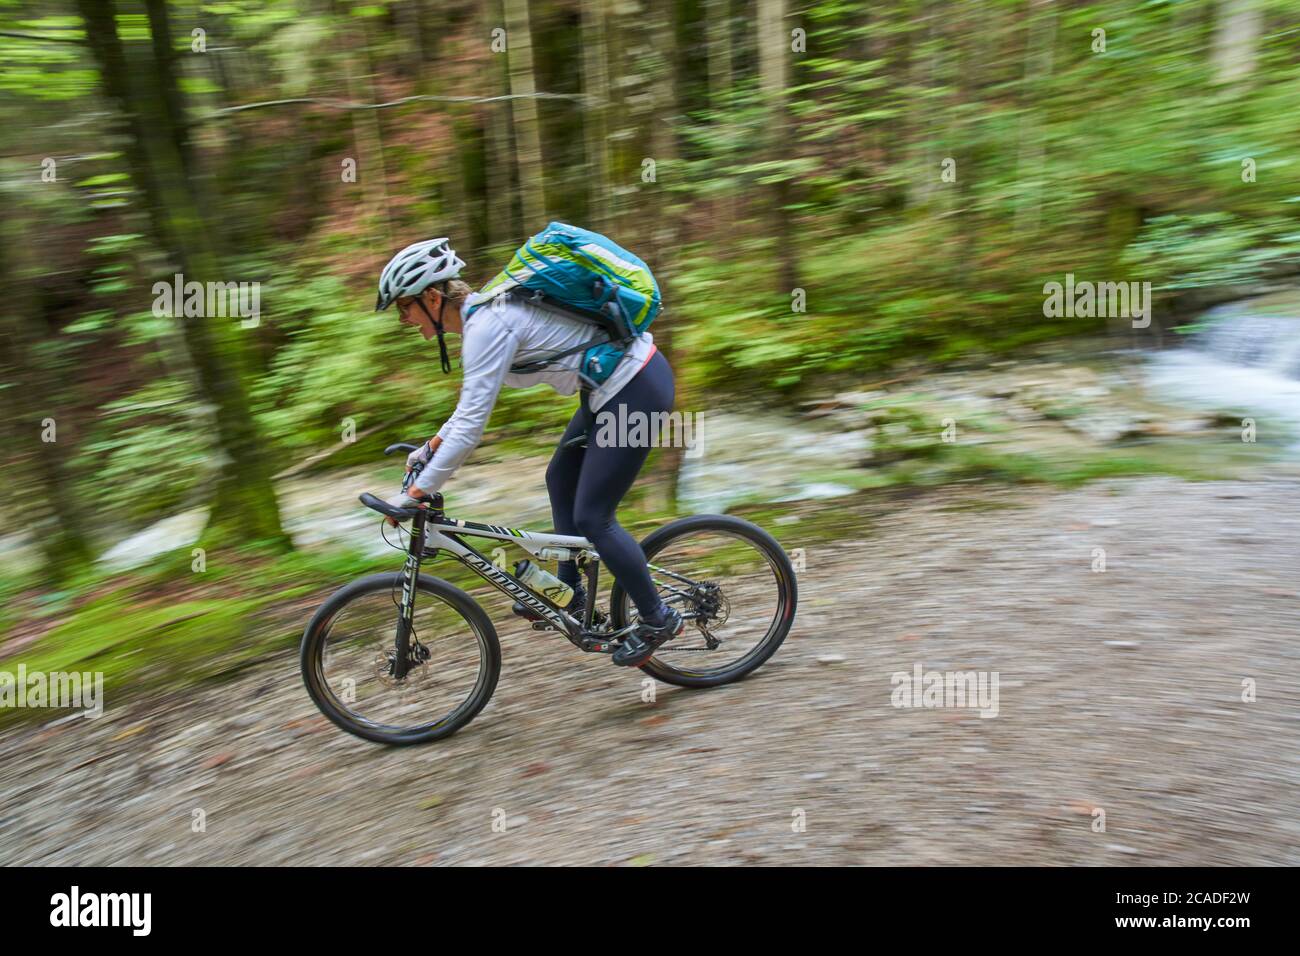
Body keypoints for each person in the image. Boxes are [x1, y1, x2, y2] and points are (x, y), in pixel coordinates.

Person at [374, 236, 683, 667]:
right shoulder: (484, 320)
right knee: (559, 478)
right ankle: (570, 594)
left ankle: (658, 617)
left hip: (637, 387)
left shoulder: (487, 327)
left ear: (431, 297)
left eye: (404, 307)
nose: (404, 319)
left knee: (595, 516)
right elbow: (467, 411)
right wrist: (431, 447)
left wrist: (417, 493)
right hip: (611, 390)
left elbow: (472, 427)